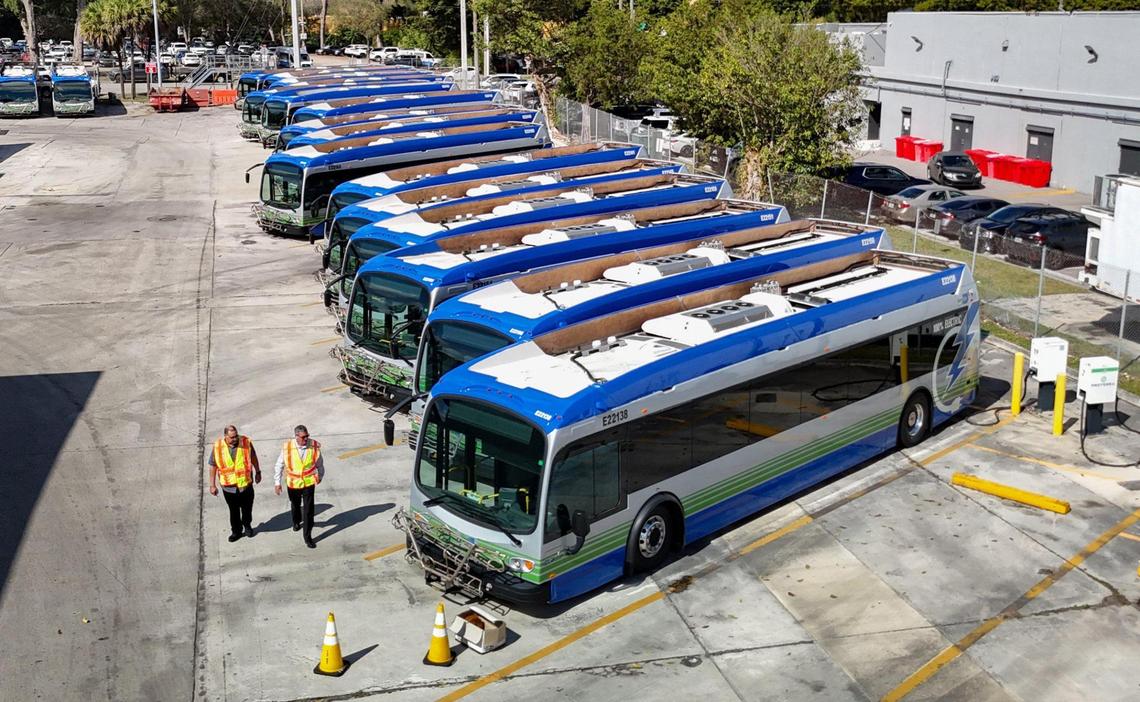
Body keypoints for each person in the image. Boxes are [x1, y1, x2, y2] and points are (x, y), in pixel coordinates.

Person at [207, 425, 261, 542]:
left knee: (247, 509)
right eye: (232, 437)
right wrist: (212, 485)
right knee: (234, 511)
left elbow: (253, 457)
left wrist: (258, 471)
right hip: (229, 488)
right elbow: (213, 465)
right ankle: (236, 531)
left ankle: (247, 526)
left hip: (246, 485)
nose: (235, 439)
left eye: (236, 436)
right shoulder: (218, 446)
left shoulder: (246, 442)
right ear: (225, 436)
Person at [275, 425, 323, 548]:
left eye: (307, 436)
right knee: (295, 505)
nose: (306, 439)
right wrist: (277, 483)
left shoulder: (314, 446)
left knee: (308, 510)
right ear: (296, 436)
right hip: (293, 483)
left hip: (308, 483)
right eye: (303, 437)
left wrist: (320, 476)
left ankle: (308, 537)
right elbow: (279, 465)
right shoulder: (287, 448)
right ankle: (296, 521)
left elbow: (320, 463)